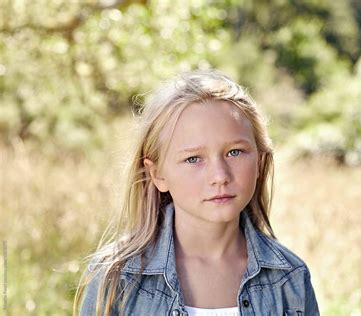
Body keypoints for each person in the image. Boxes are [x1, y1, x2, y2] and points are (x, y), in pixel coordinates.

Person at [75, 70, 320, 315]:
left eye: (234, 152)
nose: (220, 176)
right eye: (194, 158)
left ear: (259, 160)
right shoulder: (116, 278)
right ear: (157, 174)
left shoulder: (291, 278)